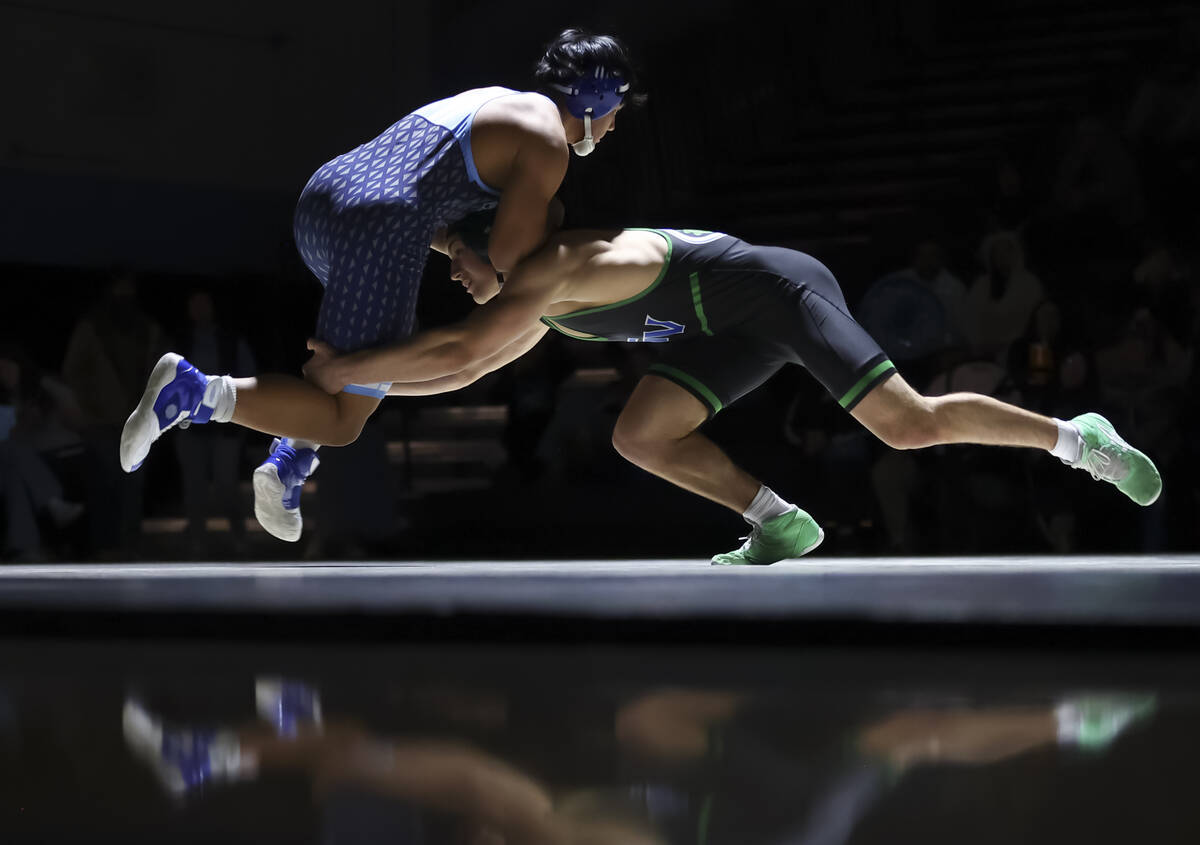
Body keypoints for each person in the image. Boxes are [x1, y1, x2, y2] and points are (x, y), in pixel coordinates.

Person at [300, 218, 1163, 563]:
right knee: (638, 434)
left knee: (905, 424)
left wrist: (345, 373)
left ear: (501, 248)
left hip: (788, 294)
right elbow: (465, 365)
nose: (455, 274)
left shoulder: (575, 263)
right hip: (734, 334)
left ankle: (1075, 436)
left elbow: (458, 344)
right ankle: (777, 520)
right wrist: (357, 390)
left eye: (459, 258)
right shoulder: (537, 306)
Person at [119, 29, 643, 542]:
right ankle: (194, 393)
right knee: (347, 418)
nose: (615, 127)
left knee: (389, 355)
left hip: (323, 201)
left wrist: (461, 246)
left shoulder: (496, 100)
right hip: (379, 227)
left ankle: (290, 455)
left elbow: (422, 189)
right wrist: (515, 283)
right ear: (596, 101)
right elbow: (507, 255)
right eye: (617, 112)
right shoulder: (550, 141)